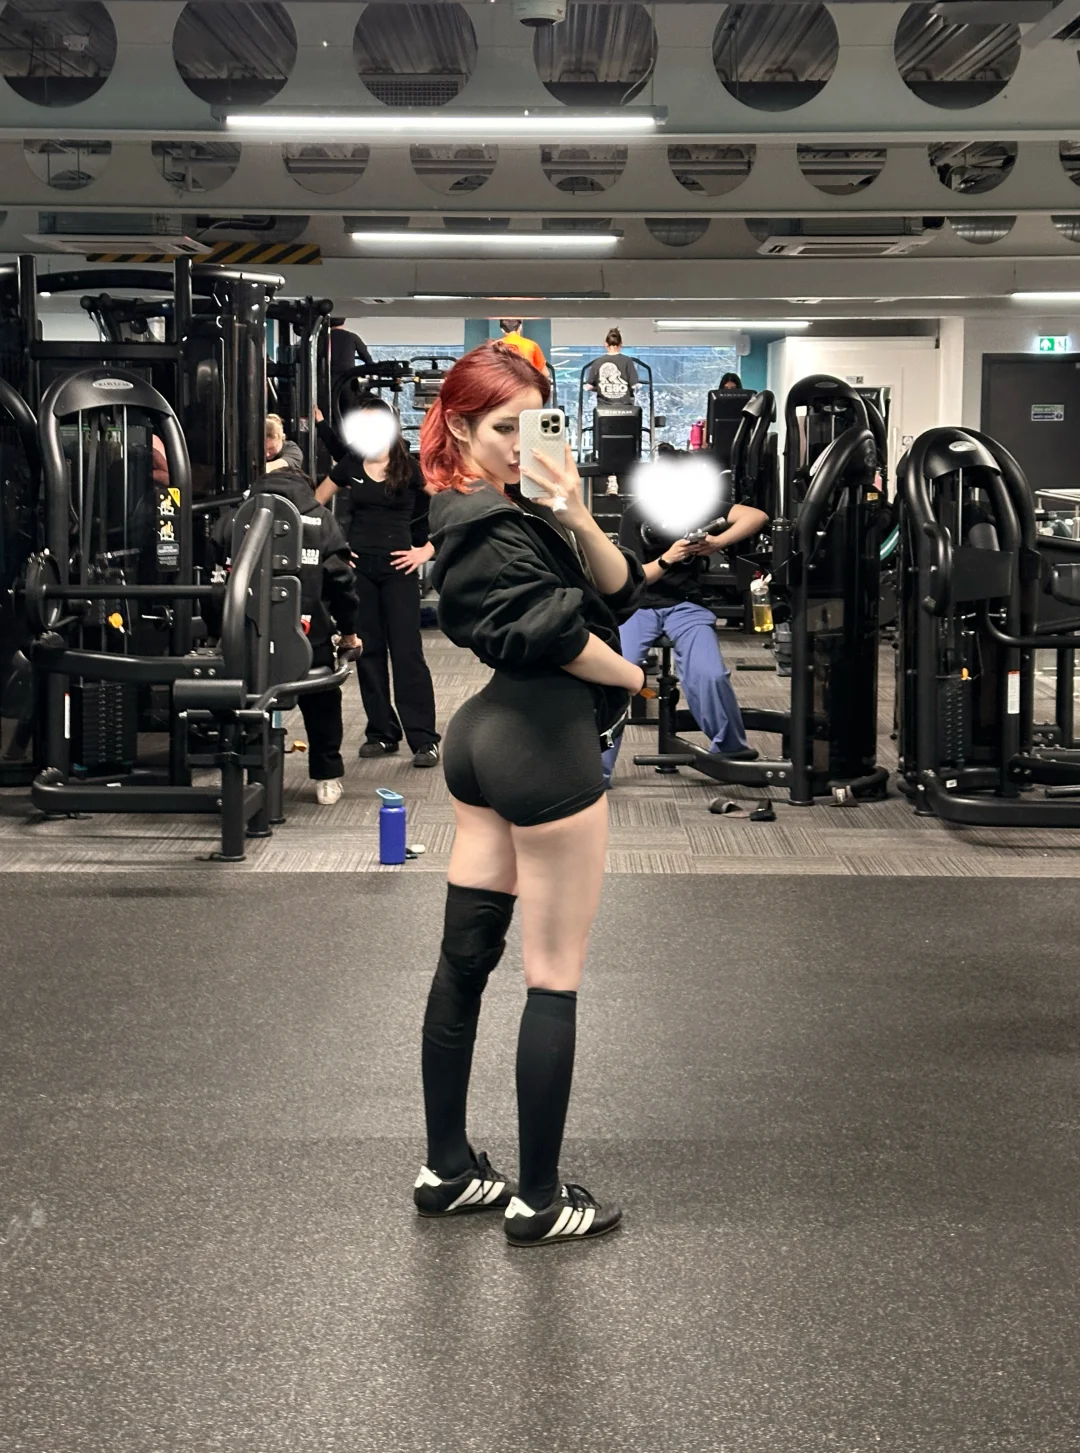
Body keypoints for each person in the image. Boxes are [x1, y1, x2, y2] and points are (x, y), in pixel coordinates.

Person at [414, 341, 646, 1248]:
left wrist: (576, 510)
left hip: (486, 738)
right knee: (553, 973)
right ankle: (541, 1199)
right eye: (503, 428)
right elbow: (560, 636)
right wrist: (632, 679)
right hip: (541, 747)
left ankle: (448, 1170)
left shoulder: (511, 510)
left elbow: (621, 589)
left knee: (464, 964)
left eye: (534, 425)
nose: (521, 444)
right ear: (461, 426)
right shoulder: (480, 522)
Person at [602, 454, 769, 785]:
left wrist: (717, 542)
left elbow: (757, 516)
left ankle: (732, 754)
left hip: (686, 606)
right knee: (616, 677)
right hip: (639, 606)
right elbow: (633, 579)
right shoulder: (636, 514)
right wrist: (668, 558)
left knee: (709, 675)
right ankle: (596, 770)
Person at [210, 466, 361, 806]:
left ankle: (233, 774)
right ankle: (326, 777)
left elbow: (214, 583)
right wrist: (349, 632)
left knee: (238, 701)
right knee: (322, 699)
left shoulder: (233, 519)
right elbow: (342, 583)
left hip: (243, 638)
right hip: (307, 638)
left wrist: (217, 632)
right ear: (306, 487)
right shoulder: (322, 520)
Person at [314, 397, 441, 767]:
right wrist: (336, 551)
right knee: (368, 652)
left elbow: (451, 509)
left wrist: (426, 551)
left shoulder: (410, 467)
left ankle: (424, 739)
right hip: (360, 571)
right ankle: (382, 733)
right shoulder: (351, 464)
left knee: (407, 652)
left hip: (399, 570)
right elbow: (314, 506)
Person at [584, 327, 639, 403]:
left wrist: (599, 388)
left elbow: (589, 387)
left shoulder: (597, 362)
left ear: (606, 344)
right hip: (624, 407)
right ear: (621, 344)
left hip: (603, 407)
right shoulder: (627, 361)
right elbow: (634, 386)